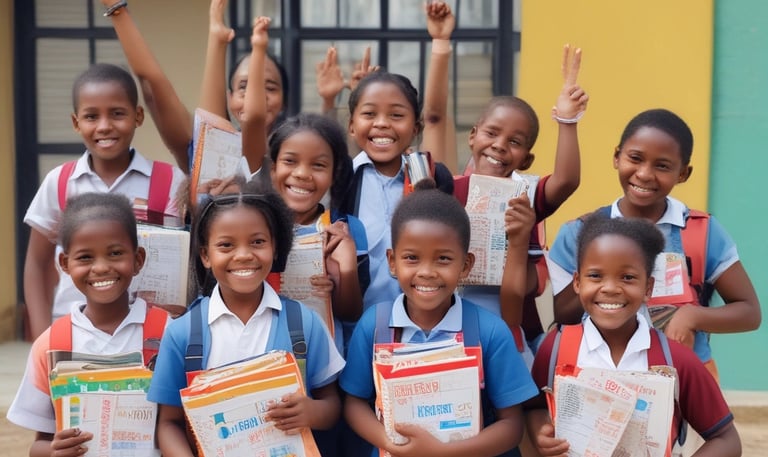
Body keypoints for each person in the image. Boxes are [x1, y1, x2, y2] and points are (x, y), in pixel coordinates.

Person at [547, 109, 761, 377]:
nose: (645, 174)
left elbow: (749, 312)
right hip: (601, 378)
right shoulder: (579, 232)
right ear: (616, 157)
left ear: (683, 173)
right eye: (635, 158)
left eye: (662, 166)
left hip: (684, 378)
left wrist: (692, 317)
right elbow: (562, 316)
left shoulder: (701, 232)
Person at [340, 182, 539, 457]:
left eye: (443, 259)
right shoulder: (374, 326)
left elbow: (512, 426)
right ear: (392, 261)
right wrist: (391, 443)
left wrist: (442, 452)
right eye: (412, 258)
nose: (427, 272)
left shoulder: (489, 331)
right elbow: (354, 403)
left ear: (466, 265)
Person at [148, 190, 345, 455]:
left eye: (257, 242)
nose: (243, 255)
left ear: (274, 248)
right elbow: (168, 423)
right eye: (226, 245)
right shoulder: (181, 332)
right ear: (205, 255)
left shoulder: (304, 323)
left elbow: (332, 405)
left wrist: (313, 412)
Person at [526, 215, 741, 457]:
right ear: (577, 282)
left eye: (627, 277)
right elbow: (533, 408)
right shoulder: (556, 347)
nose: (610, 288)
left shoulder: (675, 359)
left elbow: (726, 438)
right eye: (596, 275)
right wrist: (539, 433)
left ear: (648, 288)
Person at [444, 41, 588, 359]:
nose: (499, 146)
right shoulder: (450, 190)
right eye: (491, 133)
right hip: (452, 328)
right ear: (473, 136)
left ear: (526, 159)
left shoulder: (526, 195)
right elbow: (434, 121)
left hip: (515, 331)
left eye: (514, 142)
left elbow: (567, 181)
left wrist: (567, 121)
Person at [23, 62, 185, 340]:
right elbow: (37, 265)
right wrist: (42, 338)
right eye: (91, 116)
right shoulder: (60, 183)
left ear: (138, 116)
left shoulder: (170, 181)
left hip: (150, 334)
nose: (105, 126)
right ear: (76, 123)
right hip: (73, 332)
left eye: (117, 114)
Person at [8, 192, 164, 456]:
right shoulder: (50, 345)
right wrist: (55, 451)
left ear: (138, 259)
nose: (101, 267)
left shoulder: (166, 332)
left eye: (115, 253)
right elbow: (39, 444)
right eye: (85, 257)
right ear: (64, 264)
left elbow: (179, 424)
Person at [102, 0, 288, 178]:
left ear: (284, 100)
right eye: (243, 86)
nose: (257, 97)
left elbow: (255, 117)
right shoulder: (207, 151)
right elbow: (153, 86)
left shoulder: (295, 156)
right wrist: (116, 7)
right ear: (229, 98)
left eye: (270, 88)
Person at [338, 69, 455, 311]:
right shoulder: (343, 178)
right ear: (351, 126)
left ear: (415, 129)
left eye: (396, 115)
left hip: (419, 317)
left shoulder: (433, 176)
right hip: (356, 320)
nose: (381, 123)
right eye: (369, 114)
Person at [268, 112, 367, 352]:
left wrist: (345, 269)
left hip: (324, 363)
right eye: (290, 161)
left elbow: (350, 313)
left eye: (318, 165)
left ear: (334, 174)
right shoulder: (257, 226)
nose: (302, 173)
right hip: (265, 356)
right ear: (272, 168)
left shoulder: (347, 229)